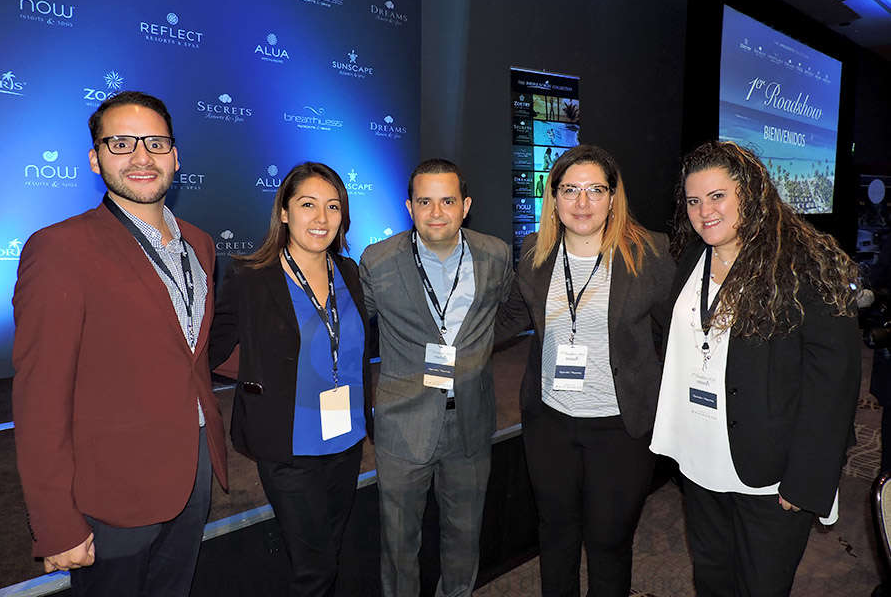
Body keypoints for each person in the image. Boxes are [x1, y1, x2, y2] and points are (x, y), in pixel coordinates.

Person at [11, 91, 228, 596]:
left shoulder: (200, 243)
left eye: (155, 143)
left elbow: (189, 350)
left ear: (176, 156)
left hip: (192, 471)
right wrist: (55, 522)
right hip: (113, 491)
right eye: (121, 143)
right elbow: (40, 398)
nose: (141, 157)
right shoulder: (60, 248)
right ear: (94, 158)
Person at [650, 141, 860, 596]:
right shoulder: (692, 257)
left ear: (751, 193)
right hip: (701, 461)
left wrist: (805, 483)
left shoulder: (804, 265)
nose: (704, 211)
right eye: (693, 200)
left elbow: (833, 388)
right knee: (712, 578)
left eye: (718, 196)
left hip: (771, 476)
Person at [495, 144, 675, 596]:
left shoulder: (648, 253)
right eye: (570, 190)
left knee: (609, 541)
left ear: (614, 197)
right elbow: (513, 316)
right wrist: (448, 340)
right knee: (555, 535)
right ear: (552, 196)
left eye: (595, 190)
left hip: (620, 428)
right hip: (549, 421)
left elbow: (677, 331)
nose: (582, 203)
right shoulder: (535, 249)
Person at [209, 162, 370, 596]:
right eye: (307, 205)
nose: (321, 219)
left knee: (331, 550)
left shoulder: (349, 273)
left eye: (332, 207)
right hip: (289, 448)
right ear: (283, 212)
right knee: (312, 568)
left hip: (346, 439)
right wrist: (259, 375)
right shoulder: (252, 278)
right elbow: (212, 352)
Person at [359, 158, 513, 597]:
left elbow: (506, 311)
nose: (437, 212)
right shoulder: (378, 260)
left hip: (471, 421)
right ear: (409, 206)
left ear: (466, 205)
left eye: (447, 201)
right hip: (402, 425)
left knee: (464, 537)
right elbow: (354, 329)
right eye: (425, 201)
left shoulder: (495, 254)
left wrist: (478, 353)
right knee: (399, 543)